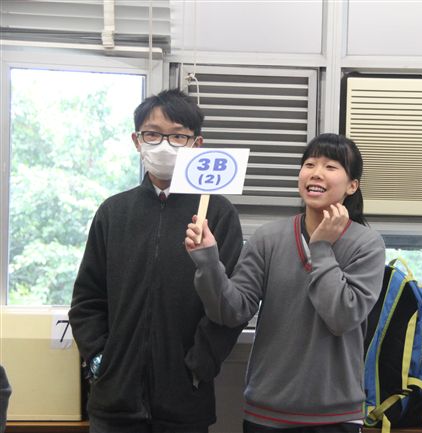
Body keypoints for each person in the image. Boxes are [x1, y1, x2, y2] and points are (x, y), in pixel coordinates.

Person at [69, 88, 244, 433]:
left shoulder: (218, 214)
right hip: (114, 403)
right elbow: (87, 300)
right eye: (153, 134)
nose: (164, 145)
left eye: (178, 136)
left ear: (197, 144)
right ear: (137, 141)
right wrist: (101, 359)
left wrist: (199, 365)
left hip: (184, 403)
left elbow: (231, 308)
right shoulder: (113, 212)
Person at [185, 133, 386, 431]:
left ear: (352, 186)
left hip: (336, 416)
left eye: (331, 166)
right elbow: (231, 312)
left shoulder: (367, 244)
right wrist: (208, 262)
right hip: (266, 412)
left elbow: (342, 316)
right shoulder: (268, 238)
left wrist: (321, 248)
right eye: (309, 164)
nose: (316, 173)